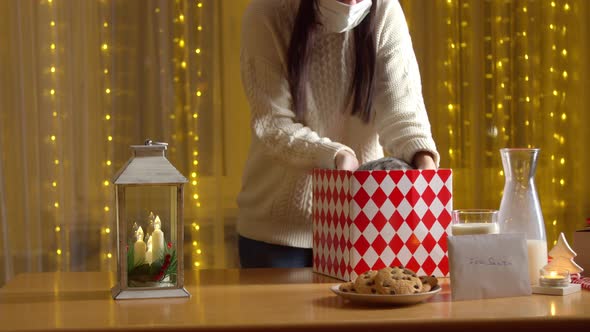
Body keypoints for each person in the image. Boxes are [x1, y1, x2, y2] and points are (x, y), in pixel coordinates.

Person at [237, 0, 439, 268]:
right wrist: (335, 155)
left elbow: (402, 110)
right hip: (277, 236)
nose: (354, 3)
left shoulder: (385, 9)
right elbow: (273, 125)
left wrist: (422, 157)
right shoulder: (267, 11)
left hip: (363, 225)